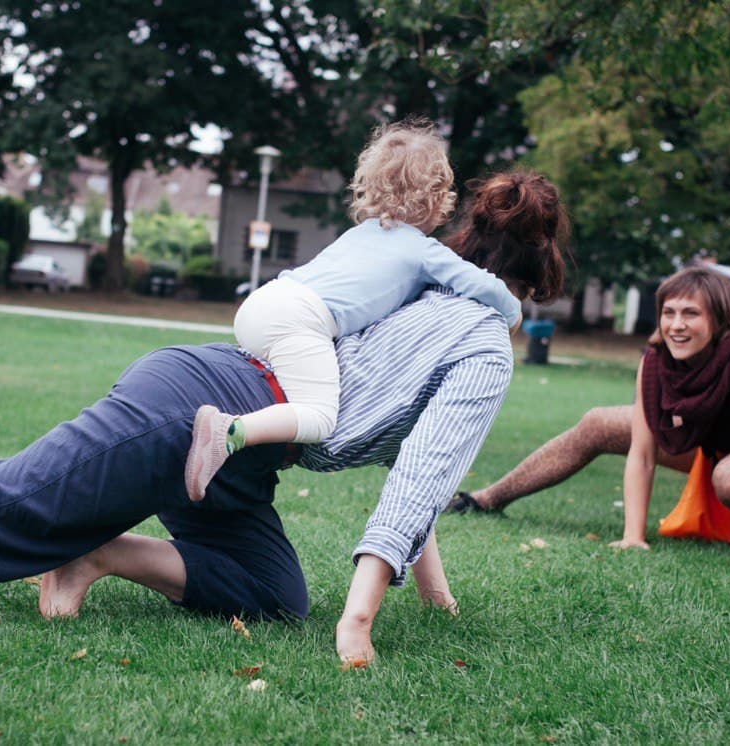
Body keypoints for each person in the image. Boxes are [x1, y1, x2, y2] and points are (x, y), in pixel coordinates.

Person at [0, 168, 569, 664]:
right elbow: (423, 474)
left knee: (271, 594)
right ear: (529, 289)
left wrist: (433, 595)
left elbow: (413, 462)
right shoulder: (480, 337)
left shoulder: (421, 292)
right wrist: (362, 619)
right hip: (196, 409)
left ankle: (94, 553)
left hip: (239, 445)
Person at [185, 120, 526, 501]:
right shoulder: (424, 251)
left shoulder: (357, 234)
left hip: (264, 301)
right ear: (437, 199)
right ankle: (230, 432)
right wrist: (513, 313)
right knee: (318, 418)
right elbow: (482, 285)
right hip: (300, 319)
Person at [448, 267, 730, 569]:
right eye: (669, 313)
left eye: (691, 314)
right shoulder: (657, 360)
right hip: (714, 446)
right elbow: (644, 452)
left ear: (719, 320)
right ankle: (485, 500)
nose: (676, 325)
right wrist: (634, 536)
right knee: (598, 422)